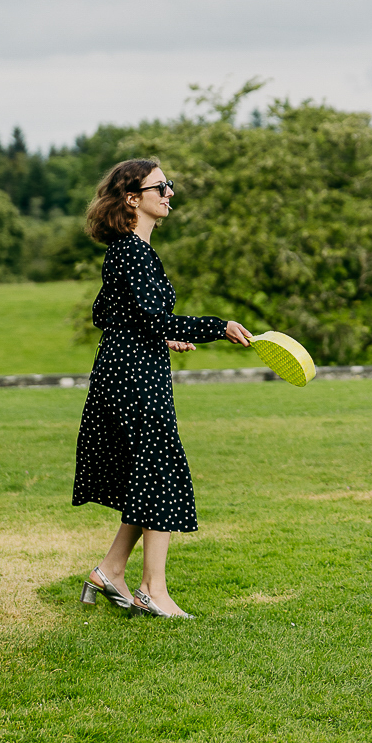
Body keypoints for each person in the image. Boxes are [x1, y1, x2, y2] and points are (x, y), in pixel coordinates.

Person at [74, 158, 252, 619]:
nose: (170, 193)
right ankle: (153, 590)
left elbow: (108, 314)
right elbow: (142, 317)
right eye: (162, 186)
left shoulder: (132, 251)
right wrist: (217, 325)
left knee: (149, 474)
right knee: (158, 473)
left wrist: (156, 333)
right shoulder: (131, 251)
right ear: (132, 199)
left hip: (132, 368)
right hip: (133, 377)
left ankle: (111, 571)